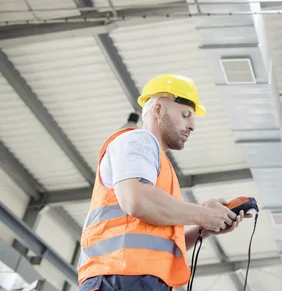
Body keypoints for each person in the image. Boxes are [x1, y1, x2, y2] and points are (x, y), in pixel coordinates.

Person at [78, 74, 250, 291]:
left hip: (138, 279)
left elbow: (161, 243)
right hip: (118, 276)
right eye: (186, 115)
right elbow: (136, 200)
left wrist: (204, 228)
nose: (192, 126)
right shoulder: (138, 141)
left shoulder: (158, 167)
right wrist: (203, 214)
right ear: (158, 110)